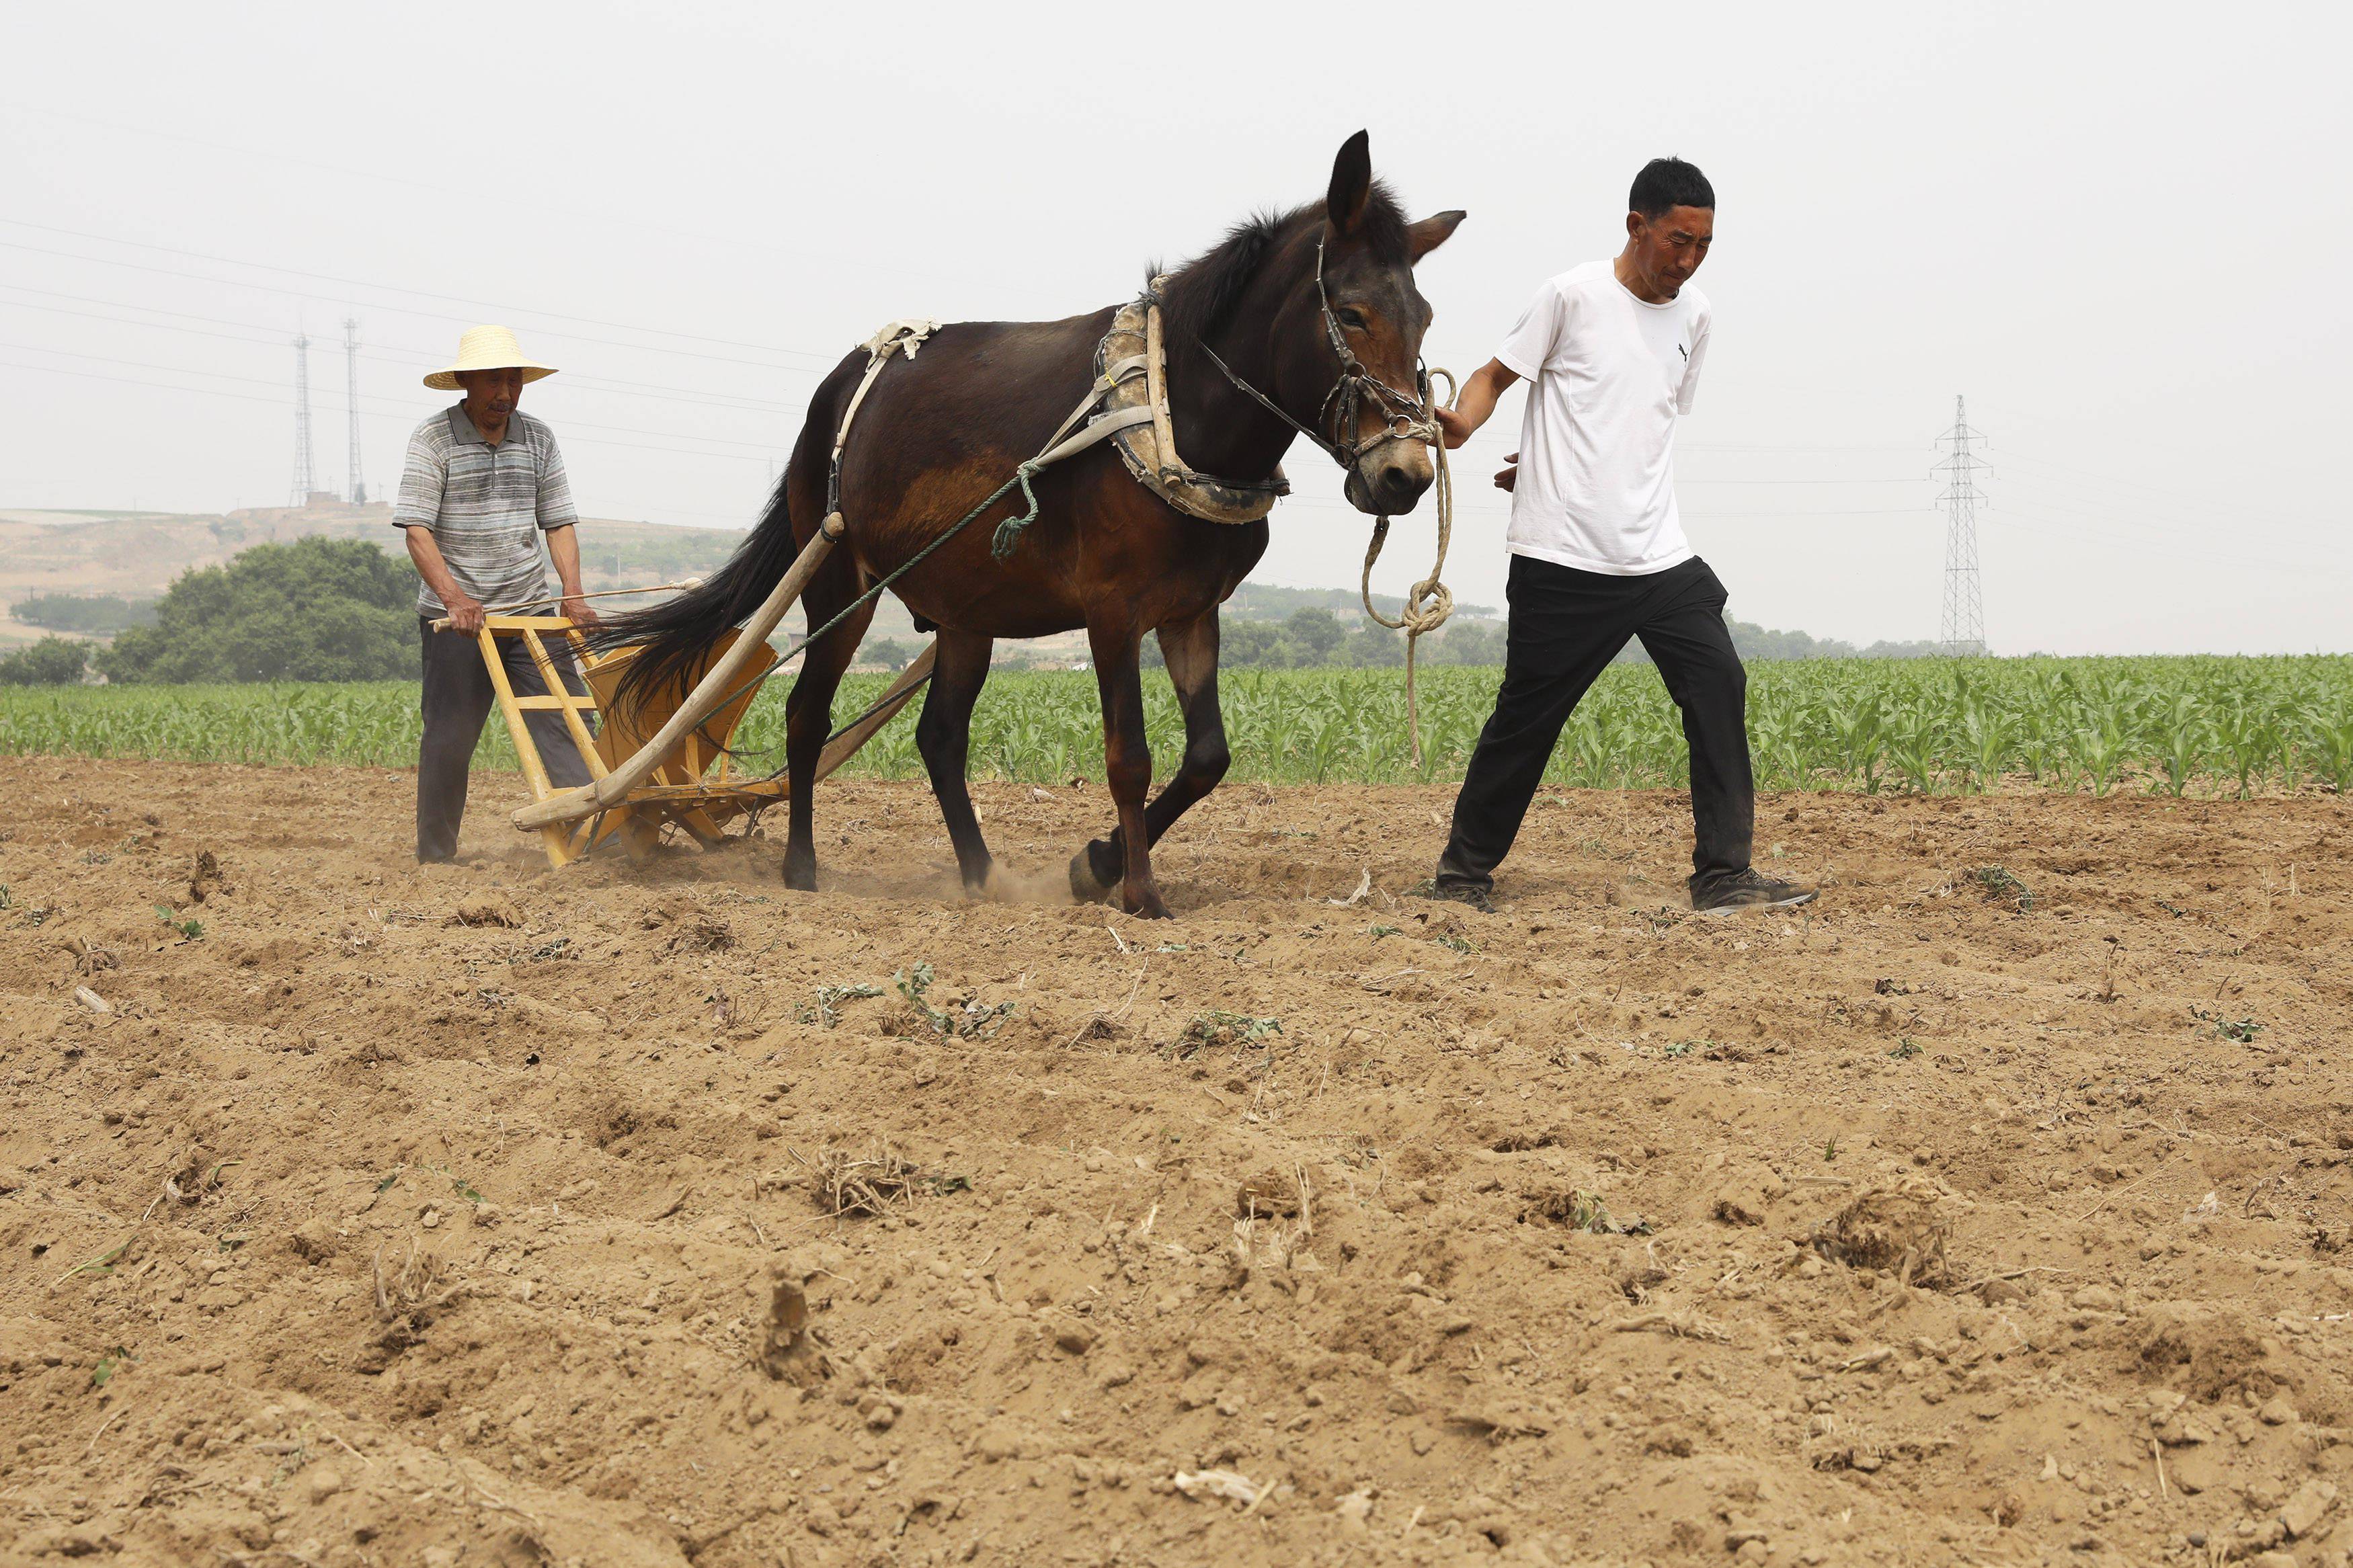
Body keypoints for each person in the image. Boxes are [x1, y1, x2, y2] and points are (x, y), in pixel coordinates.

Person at [1426, 159, 1813, 913]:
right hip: (1561, 558)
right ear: (1635, 226)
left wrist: (1549, 456)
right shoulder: (1570, 296)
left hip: (1657, 554)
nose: (1688, 259)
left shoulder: (1695, 316)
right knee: (1526, 718)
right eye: (1677, 240)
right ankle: (1462, 872)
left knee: (1718, 680)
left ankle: (1722, 874)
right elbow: (1490, 377)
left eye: (1702, 244)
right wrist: (1464, 427)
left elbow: (1640, 419)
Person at [395, 325, 599, 864]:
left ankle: (598, 840)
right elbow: (418, 531)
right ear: (465, 382)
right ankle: (437, 856)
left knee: (569, 720)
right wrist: (455, 598)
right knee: (450, 737)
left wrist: (572, 595)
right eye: (493, 381)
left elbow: (558, 523)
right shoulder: (433, 439)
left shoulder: (538, 438)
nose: (504, 393)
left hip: (528, 609)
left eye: (513, 381)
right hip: (457, 620)